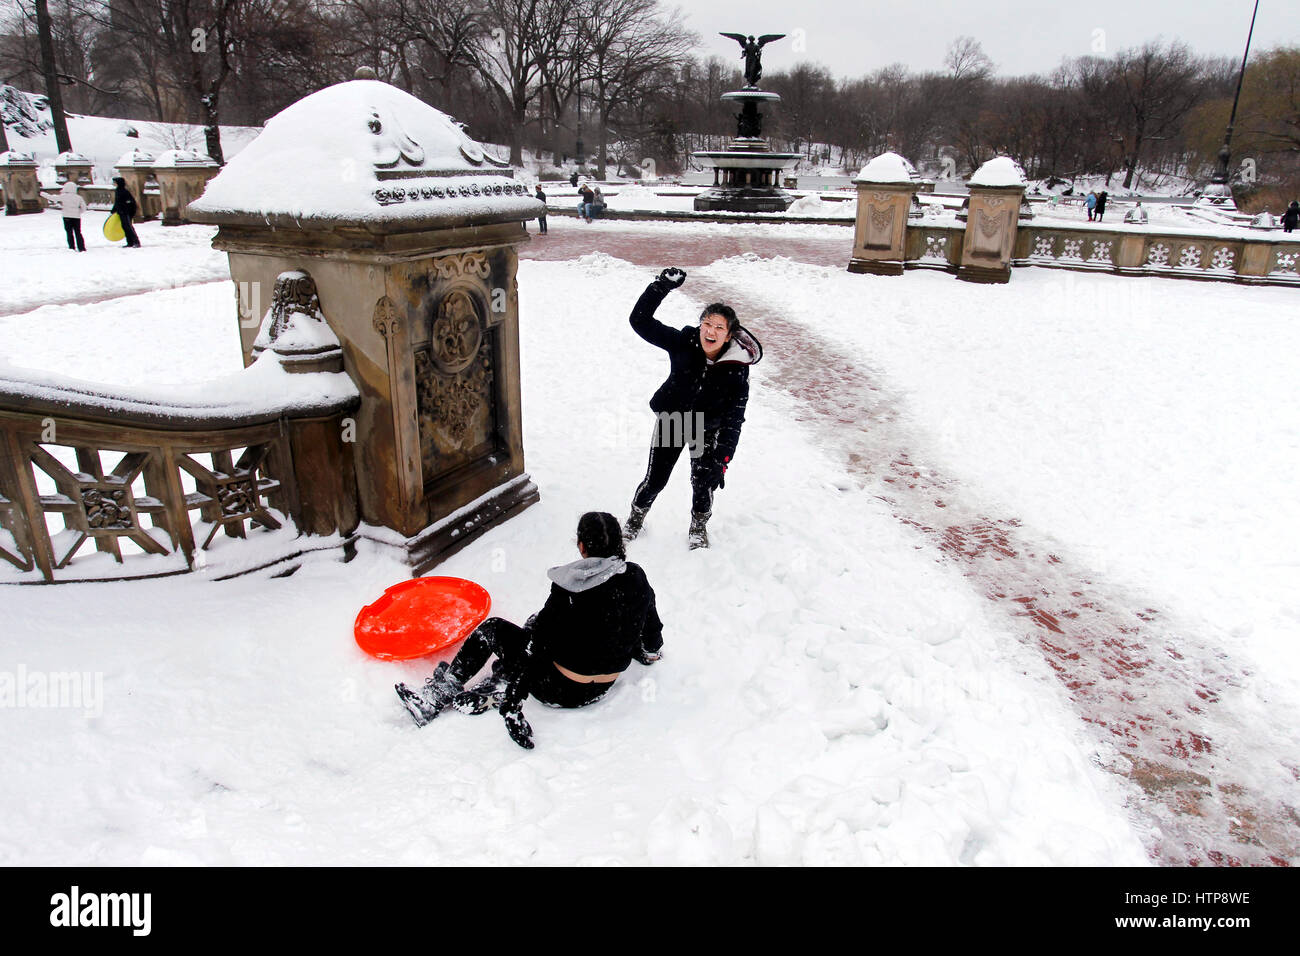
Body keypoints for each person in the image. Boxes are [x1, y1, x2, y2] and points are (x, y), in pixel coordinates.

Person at [395, 512, 663, 749]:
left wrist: (515, 699)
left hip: (559, 690)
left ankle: (434, 698)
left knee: (493, 629)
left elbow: (539, 646)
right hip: (603, 686)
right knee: (539, 622)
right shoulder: (636, 576)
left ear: (581, 546)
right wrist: (649, 650)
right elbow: (649, 621)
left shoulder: (570, 587)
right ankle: (503, 677)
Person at [622, 268, 762, 549]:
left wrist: (723, 460)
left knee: (703, 484)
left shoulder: (737, 369)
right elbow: (639, 321)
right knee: (655, 480)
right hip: (673, 420)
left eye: (719, 327)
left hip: (706, 428)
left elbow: (735, 418)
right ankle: (636, 517)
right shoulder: (683, 343)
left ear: (729, 335)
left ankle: (699, 524)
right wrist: (660, 287)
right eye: (706, 323)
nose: (710, 331)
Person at [110, 177, 141, 248]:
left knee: (129, 227)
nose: (114, 184)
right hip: (121, 212)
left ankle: (136, 242)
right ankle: (129, 242)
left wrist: (129, 211)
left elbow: (131, 202)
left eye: (115, 182)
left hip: (126, 212)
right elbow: (117, 202)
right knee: (125, 227)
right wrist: (114, 210)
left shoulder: (124, 192)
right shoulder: (118, 191)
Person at [58, 180, 86, 252]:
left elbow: (53, 198)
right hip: (76, 217)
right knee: (78, 232)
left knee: (69, 232)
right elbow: (84, 207)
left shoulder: (63, 196)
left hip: (66, 217)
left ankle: (71, 247)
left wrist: (42, 194)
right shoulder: (79, 197)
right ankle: (81, 247)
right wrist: (78, 212)